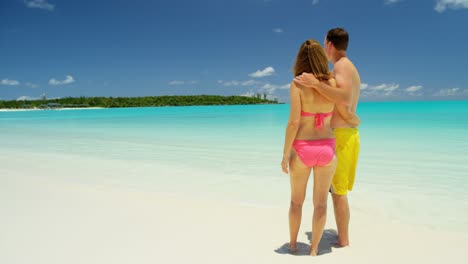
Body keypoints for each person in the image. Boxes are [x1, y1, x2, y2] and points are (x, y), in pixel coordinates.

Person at [281, 39, 359, 256]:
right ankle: (314, 250)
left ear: (300, 59)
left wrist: (285, 154)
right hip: (326, 150)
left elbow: (293, 123)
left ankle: (294, 244)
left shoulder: (297, 85)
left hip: (303, 149)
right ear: (320, 58)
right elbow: (343, 107)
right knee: (321, 204)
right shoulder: (331, 84)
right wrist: (352, 119)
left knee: (296, 202)